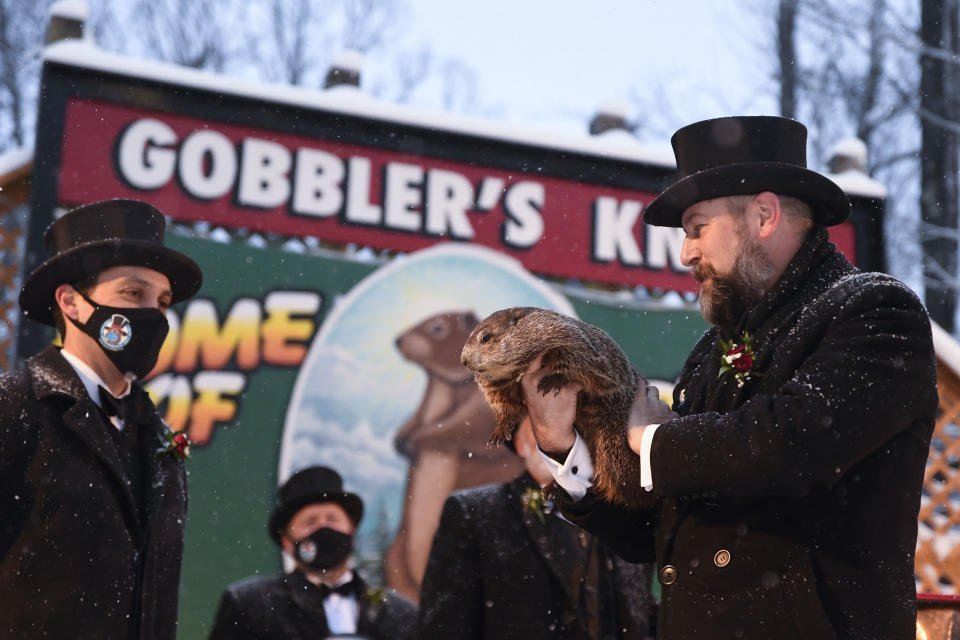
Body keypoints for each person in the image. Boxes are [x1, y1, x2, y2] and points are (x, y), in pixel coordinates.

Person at [523, 116, 938, 639]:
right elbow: (657, 533)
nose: (685, 253)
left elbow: (790, 444)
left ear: (764, 215)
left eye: (698, 229)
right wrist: (567, 449)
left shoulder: (874, 311)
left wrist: (651, 438)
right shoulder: (710, 352)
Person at [0, 199, 203, 639]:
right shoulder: (14, 406)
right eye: (133, 294)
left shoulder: (162, 439)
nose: (154, 315)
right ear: (72, 302)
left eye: (163, 301)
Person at [418, 418, 657, 640]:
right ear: (520, 443)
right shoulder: (474, 514)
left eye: (574, 420)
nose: (559, 432)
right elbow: (445, 628)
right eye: (542, 422)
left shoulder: (627, 514)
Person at [209, 465, 417, 639]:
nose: (323, 529)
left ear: (352, 533)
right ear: (287, 542)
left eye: (332, 519)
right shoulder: (250, 604)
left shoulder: (399, 612)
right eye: (310, 522)